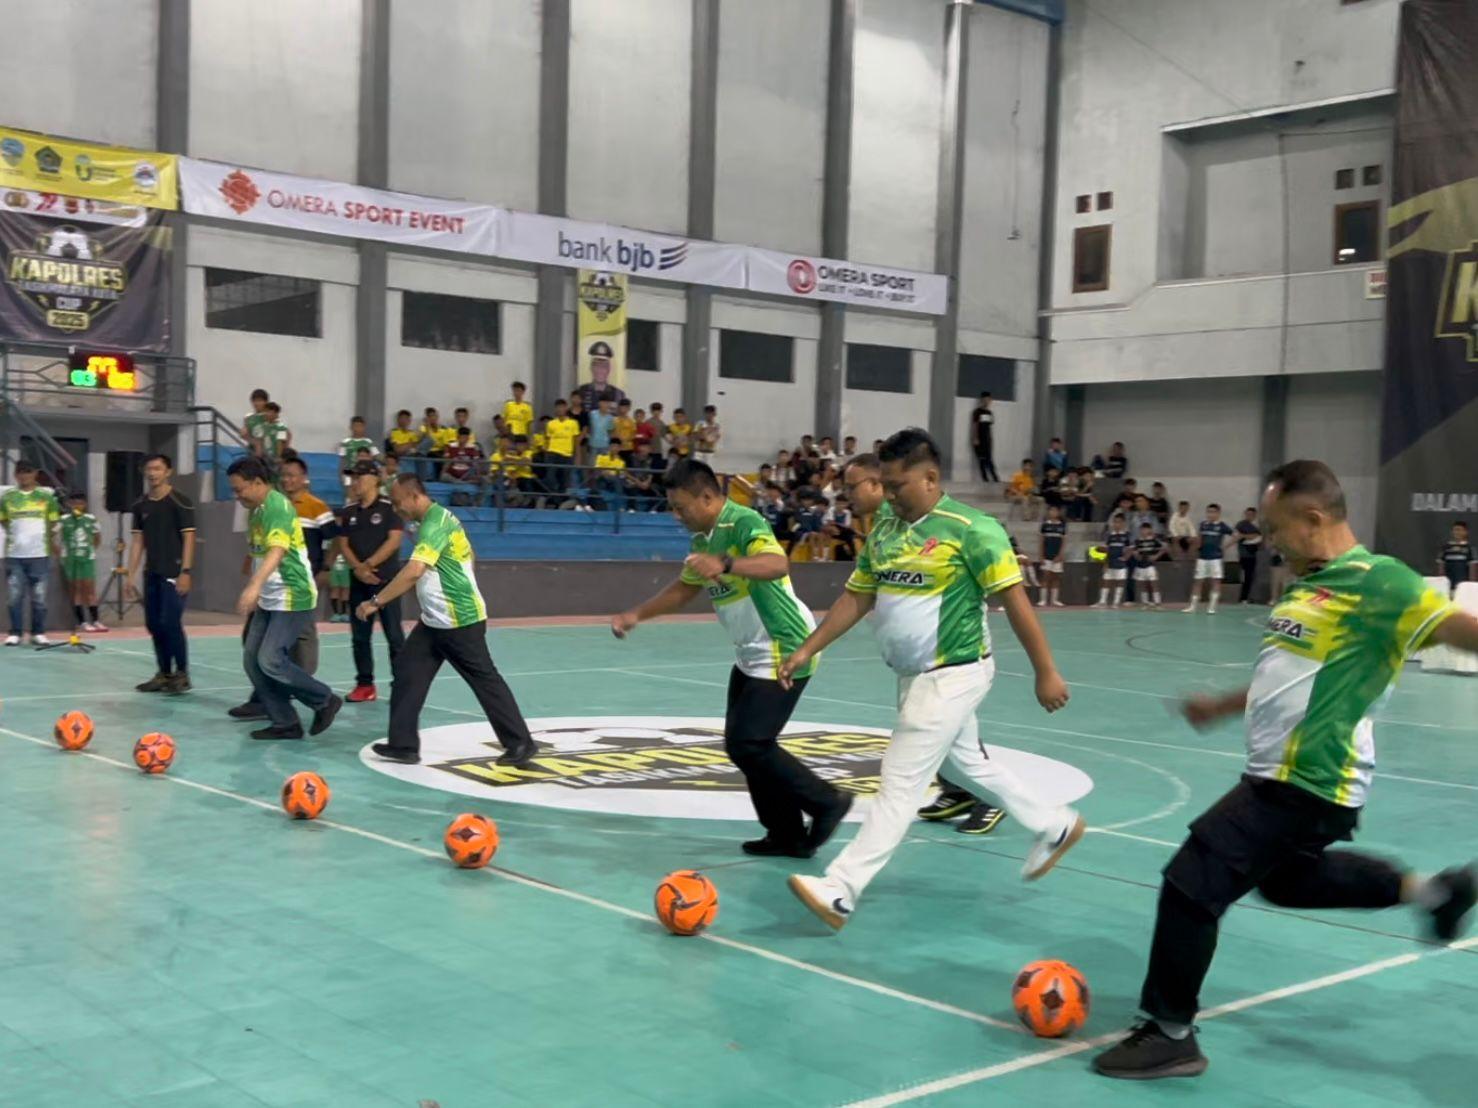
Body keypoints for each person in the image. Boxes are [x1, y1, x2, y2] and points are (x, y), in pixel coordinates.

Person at [1093, 459, 1478, 1080]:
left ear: (1313, 518)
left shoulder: (1379, 582)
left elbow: (1462, 631)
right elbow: (1290, 676)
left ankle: (1169, 1033)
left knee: (1193, 880)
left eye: (1277, 530)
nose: (1271, 544)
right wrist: (1222, 705)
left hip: (1309, 777)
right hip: (1283, 775)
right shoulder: (1309, 587)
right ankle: (1436, 892)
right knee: (1288, 882)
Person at [781, 428, 1083, 931]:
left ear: (930, 477)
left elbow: (1015, 603)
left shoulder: (972, 530)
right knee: (966, 766)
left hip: (954, 674)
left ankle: (841, 888)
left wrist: (1045, 671)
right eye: (886, 485)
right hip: (912, 677)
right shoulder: (884, 532)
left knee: (900, 781)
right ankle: (1056, 824)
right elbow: (859, 597)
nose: (891, 495)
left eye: (898, 486)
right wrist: (808, 648)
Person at [612, 459, 850, 856]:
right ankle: (786, 833)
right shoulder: (702, 539)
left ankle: (827, 801)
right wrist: (636, 614)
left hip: (783, 643)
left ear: (707, 497)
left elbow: (777, 564)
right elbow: (684, 590)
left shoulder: (742, 522)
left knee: (749, 744)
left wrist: (726, 563)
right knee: (747, 745)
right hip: (750, 652)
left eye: (681, 506)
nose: (676, 515)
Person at [360, 474, 537, 767]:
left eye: (397, 501)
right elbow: (470, 555)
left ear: (414, 496)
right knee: (407, 671)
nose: (396, 508)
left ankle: (520, 743)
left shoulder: (434, 523)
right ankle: (403, 745)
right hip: (434, 622)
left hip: (459, 622)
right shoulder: (434, 521)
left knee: (484, 680)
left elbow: (415, 570)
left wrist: (375, 601)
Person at [228, 456, 340, 741]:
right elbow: (261, 553)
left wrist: (253, 586)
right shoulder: (256, 512)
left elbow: (277, 550)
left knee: (271, 659)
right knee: (252, 661)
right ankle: (285, 722)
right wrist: (256, 585)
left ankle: (324, 699)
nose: (236, 495)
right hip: (270, 597)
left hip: (292, 594)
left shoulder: (277, 506)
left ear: (257, 483)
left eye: (240, 489)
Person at [336, 461, 407, 703]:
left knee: (395, 636)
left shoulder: (389, 509)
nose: (355, 482)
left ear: (375, 478)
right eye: (352, 477)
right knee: (359, 637)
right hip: (359, 583)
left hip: (386, 582)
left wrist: (369, 565)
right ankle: (365, 685)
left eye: (360, 477)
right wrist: (358, 568)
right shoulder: (349, 511)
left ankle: (402, 683)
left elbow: (394, 540)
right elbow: (343, 543)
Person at [125, 455, 196, 691]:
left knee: (170, 622)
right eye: (149, 469)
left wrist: (185, 571)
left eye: (157, 468)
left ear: (168, 472)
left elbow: (189, 537)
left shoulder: (180, 501)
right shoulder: (140, 505)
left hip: (174, 572)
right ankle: (164, 673)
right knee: (153, 623)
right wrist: (130, 575)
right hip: (151, 573)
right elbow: (137, 542)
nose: (152, 473)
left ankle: (182, 673)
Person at [2, 462, 59, 647]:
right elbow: (3, 521)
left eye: (28, 472)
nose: (24, 476)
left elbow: (52, 524)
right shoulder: (7, 498)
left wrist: (41, 539)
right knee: (14, 597)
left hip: (40, 555)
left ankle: (38, 632)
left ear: (35, 473)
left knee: (39, 597)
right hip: (14, 555)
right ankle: (15, 633)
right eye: (20, 472)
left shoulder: (46, 497)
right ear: (15, 475)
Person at [58, 491, 105, 633]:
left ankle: (95, 620)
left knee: (90, 589)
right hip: (71, 559)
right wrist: (60, 553)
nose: (77, 506)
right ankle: (82, 621)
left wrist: (90, 550)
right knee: (76, 589)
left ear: (85, 504)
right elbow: (51, 535)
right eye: (74, 503)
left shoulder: (91, 519)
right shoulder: (64, 520)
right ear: (69, 504)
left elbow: (97, 538)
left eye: (80, 503)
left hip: (86, 558)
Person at [1185, 504, 1234, 614]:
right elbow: (1199, 539)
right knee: (1198, 581)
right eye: (1208, 512)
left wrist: (1226, 546)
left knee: (1215, 581)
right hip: (1202, 557)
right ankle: (1192, 606)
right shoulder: (1203, 525)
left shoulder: (1222, 526)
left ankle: (1212, 607)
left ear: (1218, 513)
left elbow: (1236, 535)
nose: (1210, 514)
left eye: (1213, 512)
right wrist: (1194, 544)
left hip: (1215, 558)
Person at [544, 399, 580, 503]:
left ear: (565, 408)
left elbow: (575, 441)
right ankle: (553, 499)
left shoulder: (573, 423)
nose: (560, 409)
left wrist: (577, 456)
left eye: (562, 407)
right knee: (550, 478)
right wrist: (547, 453)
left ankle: (561, 502)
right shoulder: (550, 424)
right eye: (557, 407)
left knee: (565, 480)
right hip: (553, 453)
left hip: (567, 454)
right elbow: (547, 440)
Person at [1094, 513, 1131, 609]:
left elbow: (1129, 549)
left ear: (1123, 523)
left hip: (1121, 563)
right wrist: (1105, 563)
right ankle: (1102, 602)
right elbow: (1105, 550)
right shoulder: (1109, 535)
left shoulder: (1126, 536)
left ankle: (1116, 602)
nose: (1116, 524)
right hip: (1110, 562)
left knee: (1120, 582)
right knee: (1106, 581)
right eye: (1114, 522)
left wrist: (1126, 557)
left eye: (1119, 522)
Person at [577, 341, 627, 410]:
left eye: (604, 366)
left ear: (609, 369)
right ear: (591, 368)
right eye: (597, 365)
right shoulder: (581, 391)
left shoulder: (618, 394)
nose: (600, 370)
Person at [338, 416, 379, 488]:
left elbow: (376, 456)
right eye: (355, 426)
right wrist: (342, 473)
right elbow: (342, 461)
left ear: (364, 427)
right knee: (350, 492)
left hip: (365, 473)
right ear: (351, 427)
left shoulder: (368, 442)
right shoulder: (345, 442)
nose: (358, 429)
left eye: (360, 426)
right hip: (349, 472)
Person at [1038, 504, 1066, 608]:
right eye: (1051, 511)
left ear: (1058, 513)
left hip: (1057, 557)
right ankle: (1043, 600)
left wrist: (1060, 555)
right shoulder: (1045, 525)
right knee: (1045, 577)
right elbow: (1041, 541)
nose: (1053, 513)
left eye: (1055, 511)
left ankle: (1054, 600)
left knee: (1056, 578)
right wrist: (1041, 555)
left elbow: (1063, 542)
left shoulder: (1062, 526)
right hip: (1046, 555)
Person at [1235, 507, 1263, 604]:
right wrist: (1250, 536)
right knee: (1244, 577)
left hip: (1252, 555)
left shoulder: (1256, 527)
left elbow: (1259, 538)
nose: (1249, 516)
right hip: (1244, 555)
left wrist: (1255, 537)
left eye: (1252, 515)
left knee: (1250, 577)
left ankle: (1247, 597)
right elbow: (1239, 536)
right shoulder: (1242, 525)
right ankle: (1242, 597)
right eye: (1248, 514)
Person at [1132, 523, 1165, 608]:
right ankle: (1145, 603)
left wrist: (1156, 556)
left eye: (1146, 529)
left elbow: (1164, 548)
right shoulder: (1137, 541)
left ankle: (1158, 603)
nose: (1144, 531)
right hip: (1140, 565)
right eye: (1142, 529)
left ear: (1150, 530)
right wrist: (1136, 555)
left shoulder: (1154, 540)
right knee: (1143, 585)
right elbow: (1134, 551)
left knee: (1154, 584)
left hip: (1150, 566)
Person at [969, 392, 999, 483]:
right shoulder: (977, 412)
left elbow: (989, 426)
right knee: (982, 460)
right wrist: (975, 438)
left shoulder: (990, 413)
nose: (987, 402)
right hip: (979, 440)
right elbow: (975, 425)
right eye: (985, 399)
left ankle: (995, 478)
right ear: (981, 400)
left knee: (989, 459)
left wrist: (991, 439)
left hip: (987, 439)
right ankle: (985, 479)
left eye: (988, 400)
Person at [1439, 520, 1473, 597]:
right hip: (1447, 586)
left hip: (1463, 586)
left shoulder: (1470, 548)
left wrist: (1471, 585)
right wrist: (1441, 582)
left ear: (1465, 532)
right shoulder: (1446, 547)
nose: (1457, 532)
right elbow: (1441, 566)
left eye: (1460, 530)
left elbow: (1473, 568)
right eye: (1455, 530)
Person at [592, 443, 627, 511]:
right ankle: (620, 506)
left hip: (614, 480)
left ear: (619, 449)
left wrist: (612, 474)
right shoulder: (601, 457)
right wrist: (605, 472)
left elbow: (621, 474)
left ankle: (620, 507)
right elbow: (598, 469)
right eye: (613, 446)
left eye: (617, 447)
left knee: (619, 480)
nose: (615, 449)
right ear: (609, 447)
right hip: (602, 479)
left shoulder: (621, 461)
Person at [694, 404, 723, 471]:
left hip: (710, 452)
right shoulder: (700, 424)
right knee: (696, 470)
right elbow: (695, 436)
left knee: (708, 471)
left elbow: (716, 438)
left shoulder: (717, 426)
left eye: (711, 413)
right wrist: (703, 435)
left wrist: (708, 435)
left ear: (714, 414)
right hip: (699, 452)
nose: (709, 415)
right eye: (707, 413)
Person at [242, 388, 271, 453]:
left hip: (269, 453)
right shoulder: (249, 418)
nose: (257, 403)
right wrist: (255, 443)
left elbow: (286, 433)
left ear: (266, 402)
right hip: (254, 452)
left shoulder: (270, 416)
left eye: (260, 401)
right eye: (254, 401)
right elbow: (244, 435)